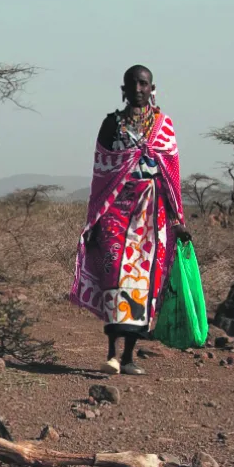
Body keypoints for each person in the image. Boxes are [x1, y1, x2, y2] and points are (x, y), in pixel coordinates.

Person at [70, 65, 188, 375]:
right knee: (115, 275)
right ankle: (111, 353)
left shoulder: (164, 126)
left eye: (143, 83)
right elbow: (101, 174)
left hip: (151, 214)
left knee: (142, 282)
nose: (138, 88)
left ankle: (129, 357)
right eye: (132, 83)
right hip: (115, 210)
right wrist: (94, 219)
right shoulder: (111, 124)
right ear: (123, 89)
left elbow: (171, 175)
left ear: (152, 88)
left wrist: (177, 219)